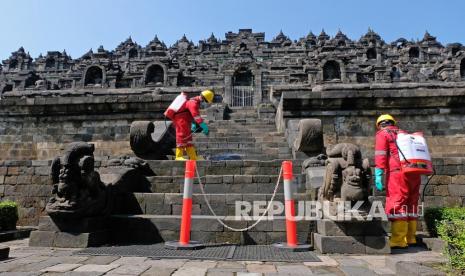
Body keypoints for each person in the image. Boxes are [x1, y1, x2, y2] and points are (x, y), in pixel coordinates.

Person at [374, 114, 421, 249]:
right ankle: (410, 237)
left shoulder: (383, 134)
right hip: (414, 172)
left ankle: (398, 240)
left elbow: (381, 154)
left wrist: (378, 174)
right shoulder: (404, 134)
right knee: (411, 204)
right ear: (393, 123)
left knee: (397, 203)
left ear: (380, 124)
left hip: (397, 173)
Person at [164, 89, 214, 160]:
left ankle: (193, 157)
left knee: (188, 139)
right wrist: (203, 126)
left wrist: (193, 124)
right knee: (182, 136)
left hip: (186, 121)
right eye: (206, 101)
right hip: (181, 120)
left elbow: (192, 115)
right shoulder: (193, 103)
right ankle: (178, 156)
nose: (205, 103)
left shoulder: (194, 102)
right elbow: (196, 116)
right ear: (203, 99)